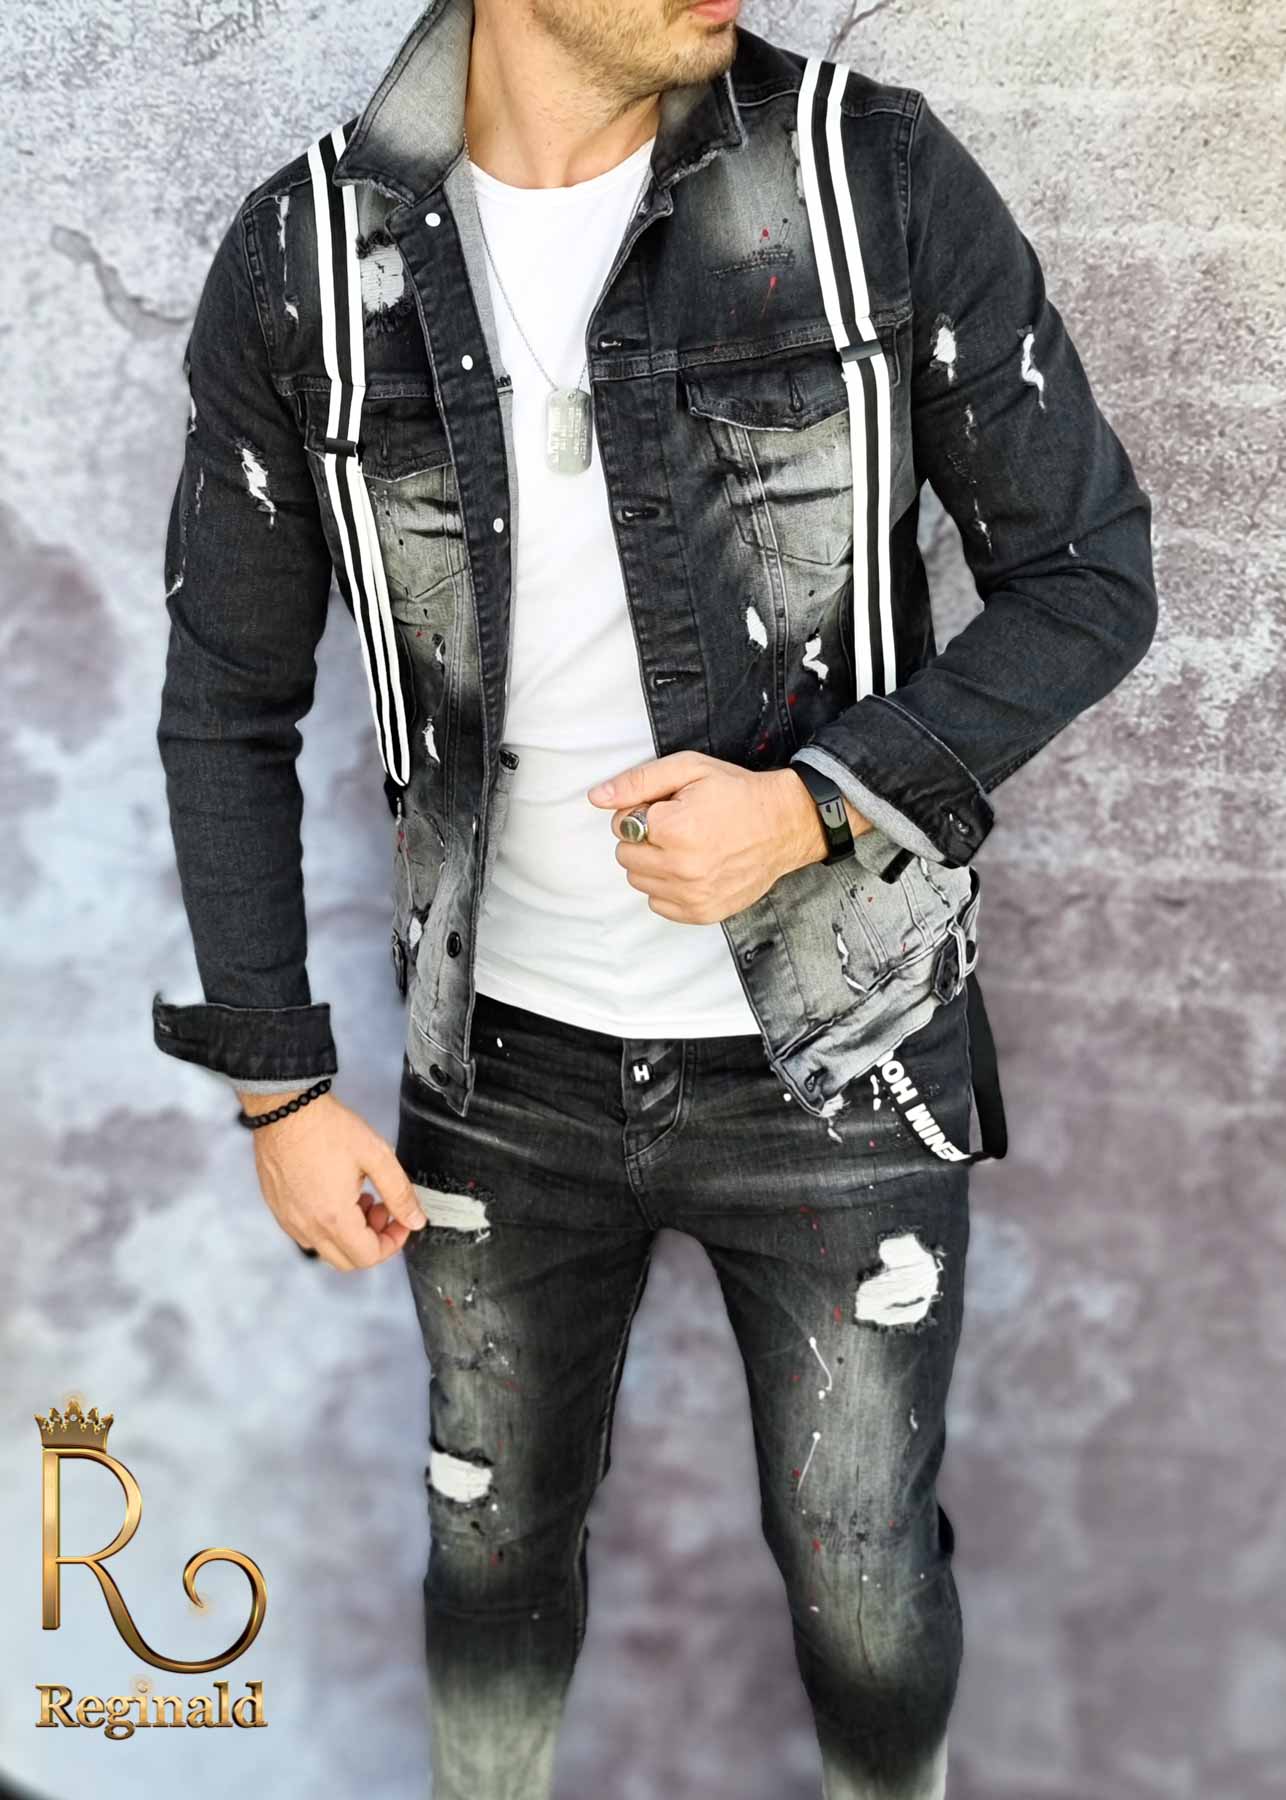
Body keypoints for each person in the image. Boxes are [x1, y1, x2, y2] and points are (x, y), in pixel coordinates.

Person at [150, 0, 1157, 1793]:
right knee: (488, 1557)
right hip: (496, 1081)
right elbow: (227, 697)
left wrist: (817, 809)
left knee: (864, 1587)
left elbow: (1085, 574)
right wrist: (279, 1089)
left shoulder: (867, 173)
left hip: (841, 1062)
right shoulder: (307, 253)